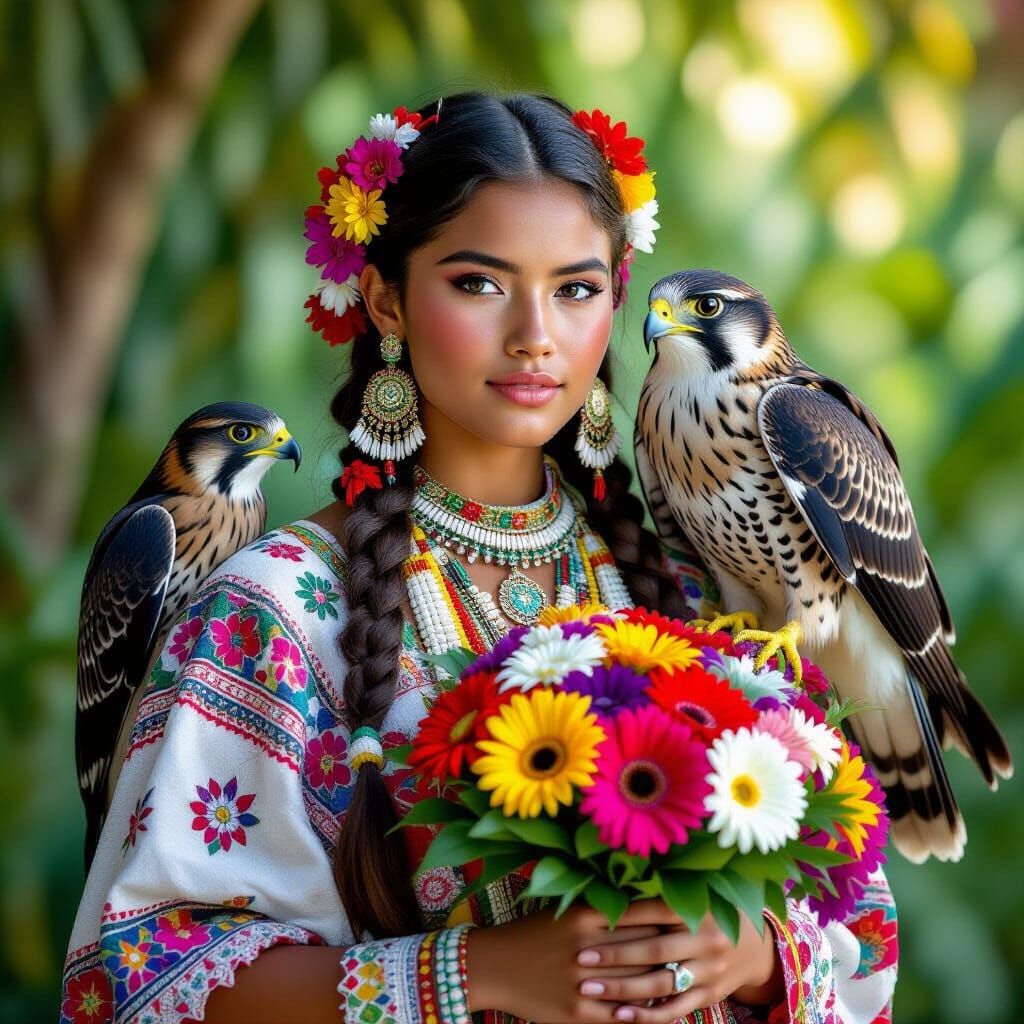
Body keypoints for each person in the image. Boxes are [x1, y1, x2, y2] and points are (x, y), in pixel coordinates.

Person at [60, 90, 898, 1024]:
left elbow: (855, 932)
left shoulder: (695, 596)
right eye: (478, 282)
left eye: (576, 289)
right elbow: (140, 977)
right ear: (384, 297)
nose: (535, 333)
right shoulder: (273, 615)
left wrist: (752, 955)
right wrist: (477, 972)